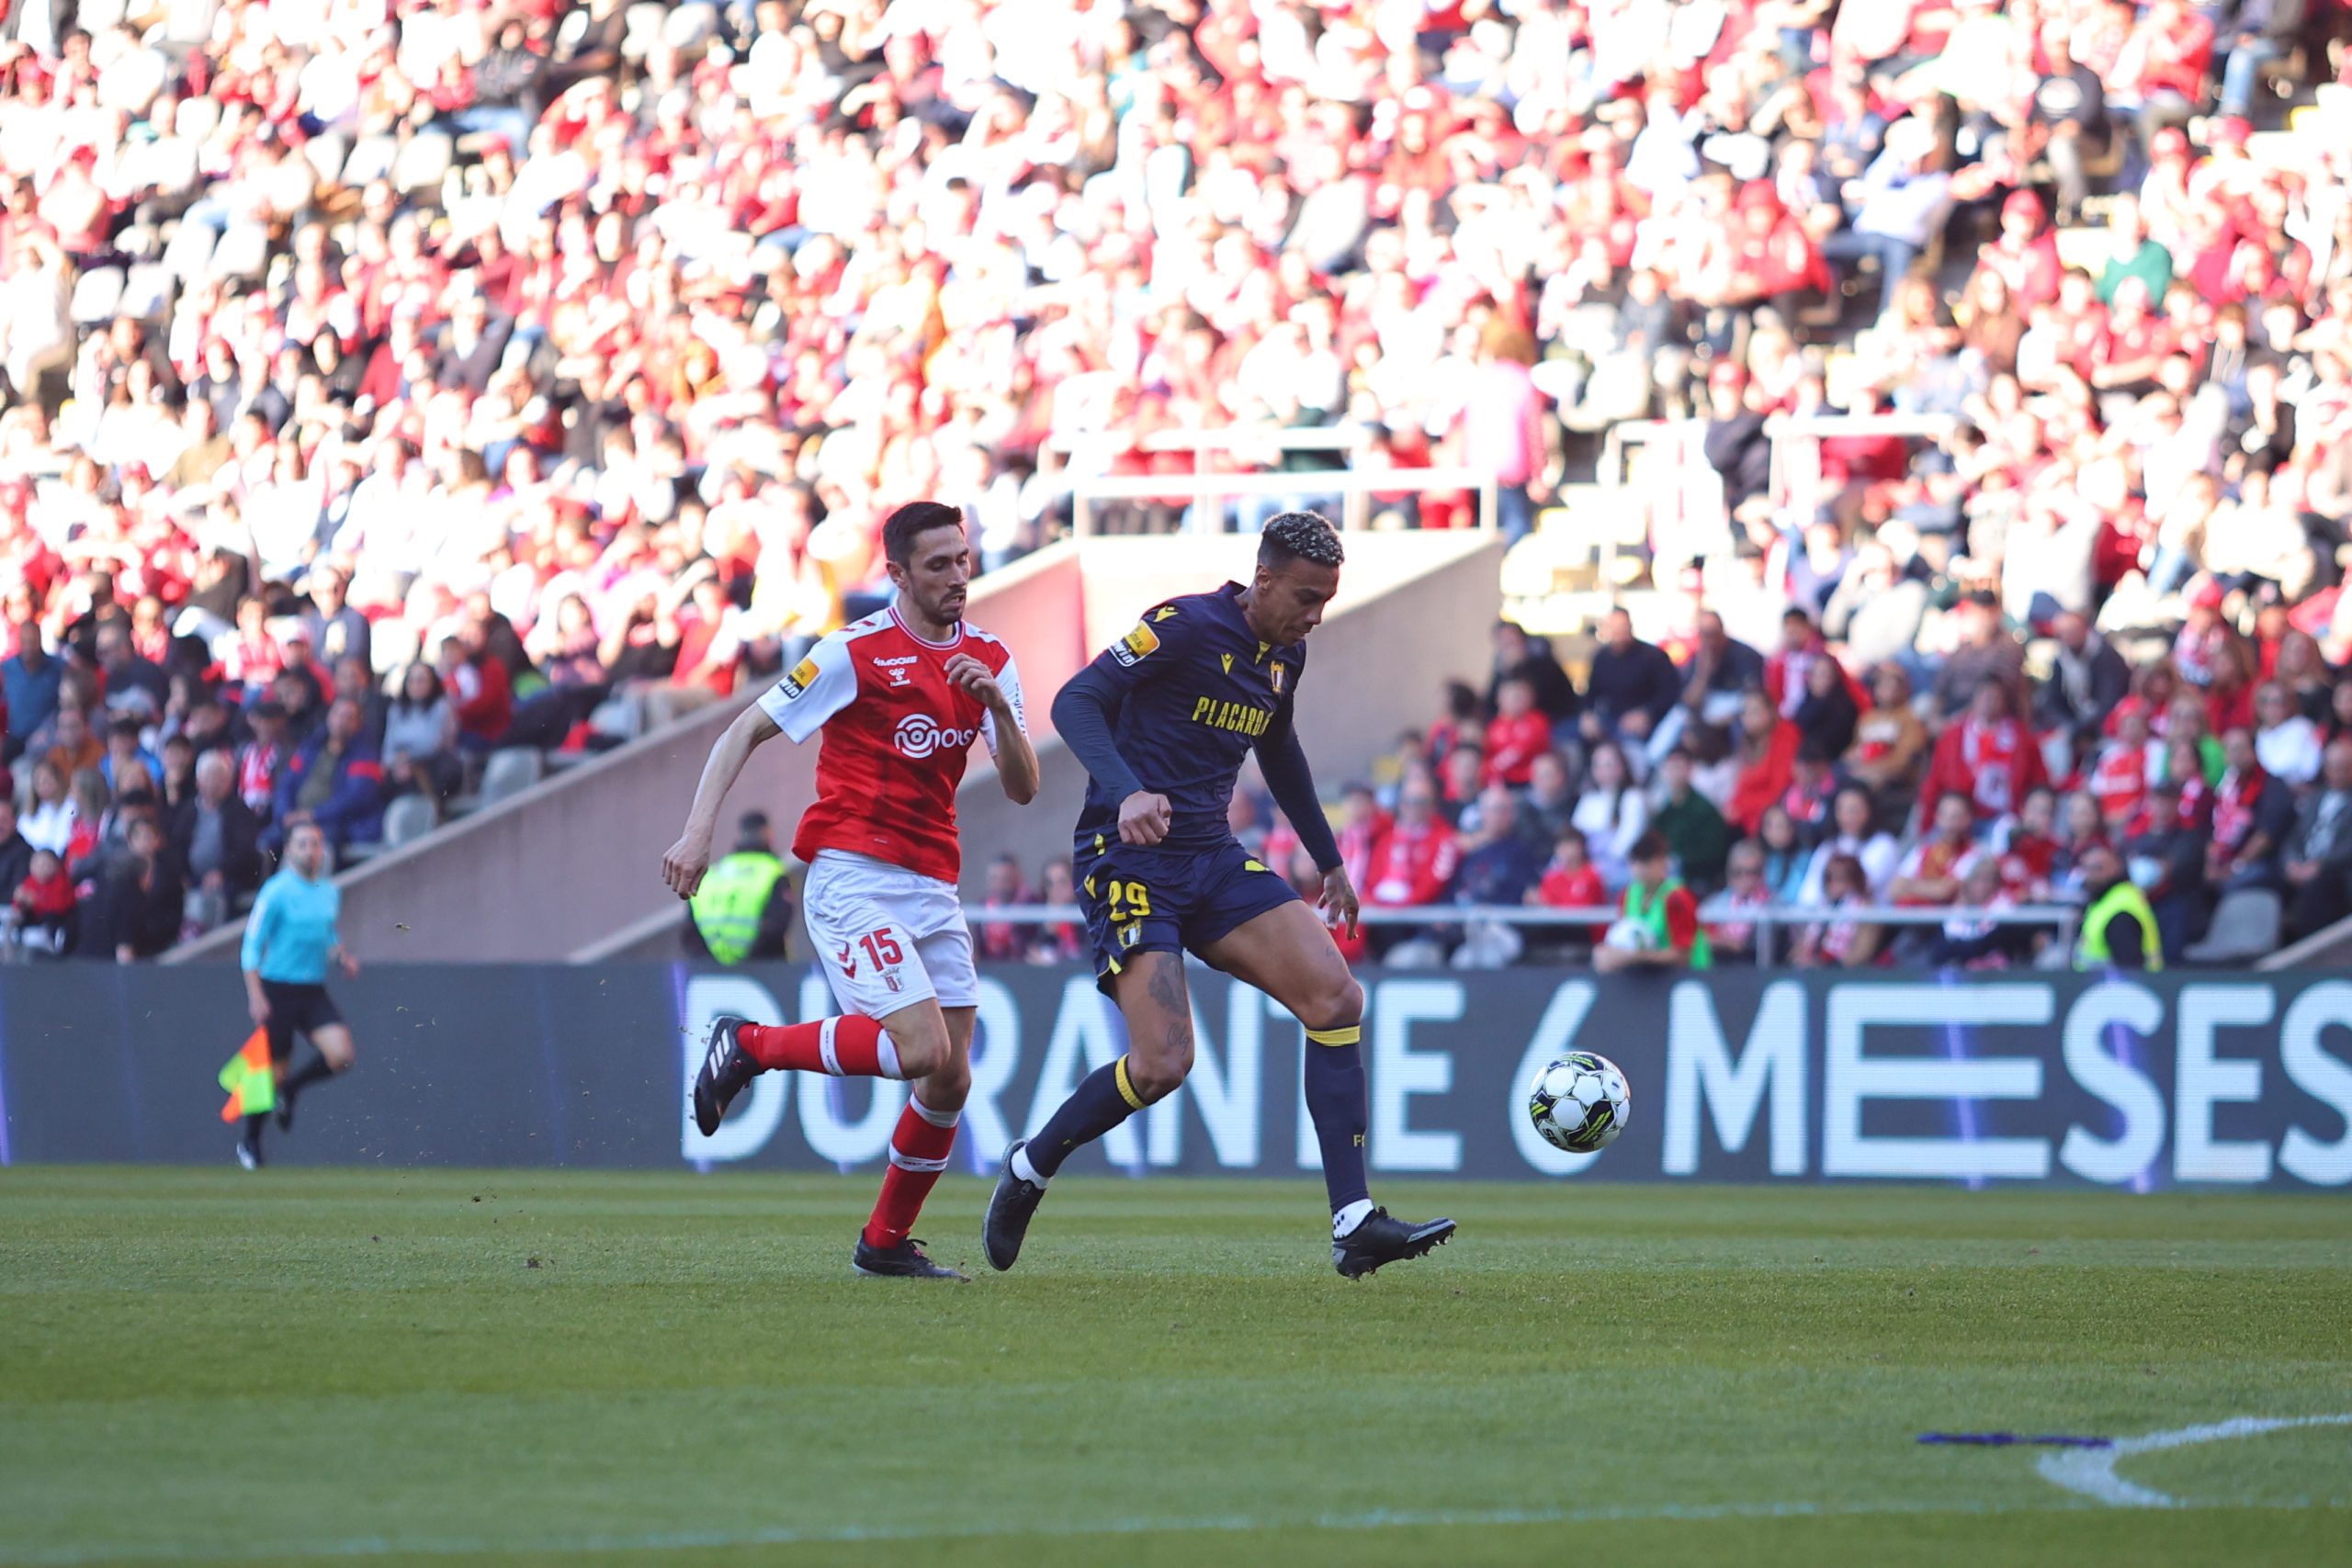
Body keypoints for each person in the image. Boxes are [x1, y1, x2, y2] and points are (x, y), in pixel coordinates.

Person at [987, 513, 1453, 1279]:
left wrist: (1329, 857)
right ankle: (1030, 1167)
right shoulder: (1182, 626)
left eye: (1327, 600)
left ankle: (1354, 1220)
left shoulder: (1285, 655)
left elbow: (1279, 743)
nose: (1315, 616)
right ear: (1262, 579)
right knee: (1164, 1063)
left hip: (1209, 854)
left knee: (1336, 999)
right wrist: (1129, 790)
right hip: (1127, 857)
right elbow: (1075, 700)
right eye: (1305, 597)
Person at [664, 502, 1040, 1281]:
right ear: (897, 575)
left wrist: (999, 708)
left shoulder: (991, 658)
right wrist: (698, 832)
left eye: (963, 560)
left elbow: (1024, 788)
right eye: (937, 565)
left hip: (934, 883)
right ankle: (749, 1044)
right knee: (921, 1049)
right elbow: (743, 730)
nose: (957, 577)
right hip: (851, 877)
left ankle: (884, 1243)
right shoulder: (853, 653)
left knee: (952, 1076)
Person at [236, 821, 360, 1169]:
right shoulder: (276, 892)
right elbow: (251, 944)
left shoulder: (328, 891)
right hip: (278, 988)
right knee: (270, 1073)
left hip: (311, 988)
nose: (311, 851)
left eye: (316, 844)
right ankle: (251, 1142)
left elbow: (327, 934)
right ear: (289, 850)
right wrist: (256, 993)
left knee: (342, 1055)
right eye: (303, 844)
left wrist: (341, 957)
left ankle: (292, 1090)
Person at [684, 810, 795, 964]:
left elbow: (689, 932)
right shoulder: (772, 871)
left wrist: (712, 965)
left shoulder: (712, 874)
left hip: (711, 976)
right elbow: (777, 925)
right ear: (767, 833)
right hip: (764, 972)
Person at [1594, 831, 1709, 974]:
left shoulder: (1678, 898)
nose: (1641, 869)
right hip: (1650, 976)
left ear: (1663, 863)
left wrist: (1634, 957)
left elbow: (1682, 955)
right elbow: (1626, 936)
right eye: (1635, 862)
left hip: (1690, 976)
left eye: (1647, 863)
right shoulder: (1628, 895)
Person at [2075, 840, 2162, 971]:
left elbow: (2130, 968)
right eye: (2087, 869)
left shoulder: (2120, 911)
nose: (2091, 876)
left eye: (2098, 868)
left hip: (2113, 989)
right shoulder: (2105, 901)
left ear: (2117, 867)